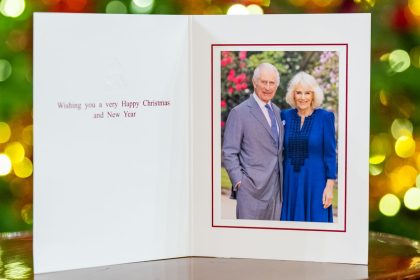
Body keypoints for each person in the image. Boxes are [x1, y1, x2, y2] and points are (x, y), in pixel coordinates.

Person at [223, 63, 283, 220]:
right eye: (264, 82)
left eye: (272, 83)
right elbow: (229, 152)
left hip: (276, 193)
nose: (268, 87)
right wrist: (239, 182)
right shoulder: (239, 112)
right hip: (250, 192)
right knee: (248, 240)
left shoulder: (277, 112)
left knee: (272, 241)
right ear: (255, 82)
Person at [280, 71, 337, 223]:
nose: (303, 97)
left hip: (316, 185)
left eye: (307, 93)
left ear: (313, 95)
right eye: (299, 92)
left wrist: (329, 187)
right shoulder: (284, 116)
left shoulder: (325, 118)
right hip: (290, 184)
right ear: (293, 95)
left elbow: (330, 155)